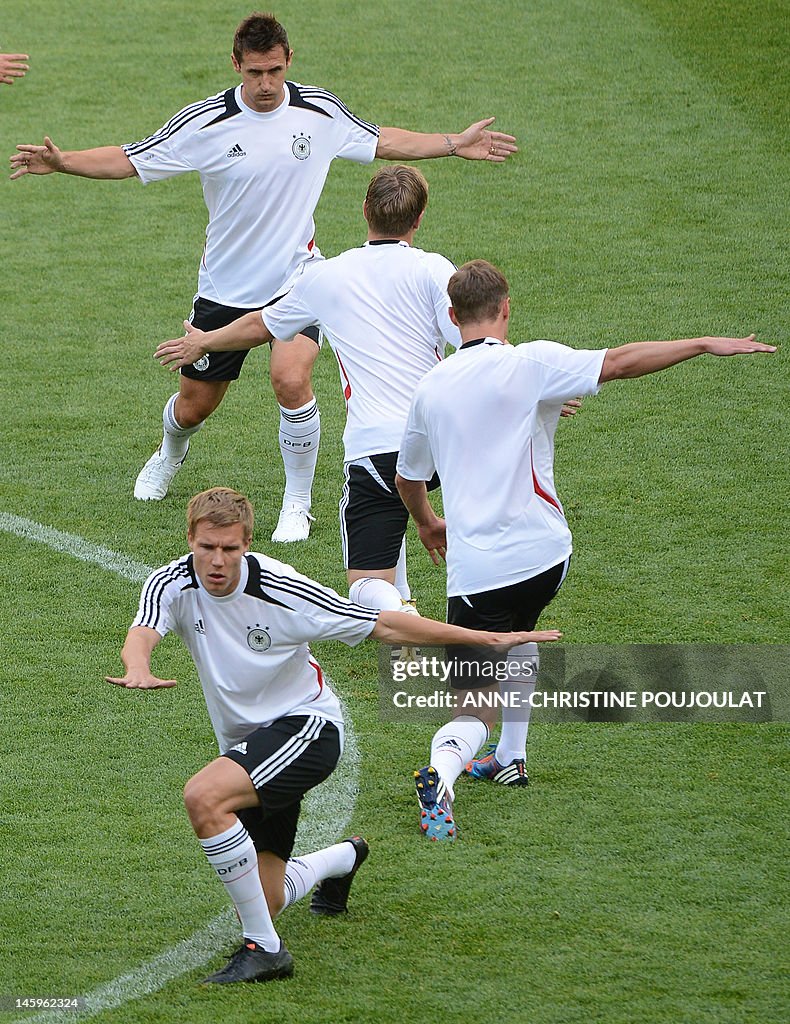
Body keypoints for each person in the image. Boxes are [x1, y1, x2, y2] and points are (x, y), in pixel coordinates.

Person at [10, 12, 517, 543]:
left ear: (288, 61)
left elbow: (382, 140)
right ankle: (170, 451)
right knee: (193, 406)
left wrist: (454, 143)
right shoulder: (205, 124)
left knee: (291, 380)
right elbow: (131, 160)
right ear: (237, 66)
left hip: (296, 278)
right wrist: (65, 162)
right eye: (255, 73)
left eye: (274, 70)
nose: (267, 84)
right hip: (223, 289)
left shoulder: (317, 111)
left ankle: (296, 503)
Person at [107, 486, 560, 983]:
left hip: (307, 729)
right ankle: (344, 858)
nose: (217, 561)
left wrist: (488, 638)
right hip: (247, 746)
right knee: (266, 898)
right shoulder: (170, 582)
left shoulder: (282, 589)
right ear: (190, 539)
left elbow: (383, 625)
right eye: (207, 548)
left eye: (230, 549)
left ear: (247, 543)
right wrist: (137, 667)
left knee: (204, 798)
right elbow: (144, 631)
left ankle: (265, 952)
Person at [395, 259, 776, 840]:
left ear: (452, 317)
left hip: (478, 571)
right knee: (523, 638)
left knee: (472, 702)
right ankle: (510, 760)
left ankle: (441, 774)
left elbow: (408, 477)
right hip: (546, 557)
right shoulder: (532, 365)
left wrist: (427, 524)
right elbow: (621, 361)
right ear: (505, 310)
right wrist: (700, 342)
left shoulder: (429, 388)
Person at [152, 164, 459, 613]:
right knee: (424, 530)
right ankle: (433, 614)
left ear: (364, 210)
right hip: (444, 443)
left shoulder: (325, 277)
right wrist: (530, 388)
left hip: (375, 447)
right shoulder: (435, 269)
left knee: (366, 585)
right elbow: (474, 339)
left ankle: (402, 615)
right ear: (419, 218)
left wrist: (204, 340)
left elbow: (261, 324)